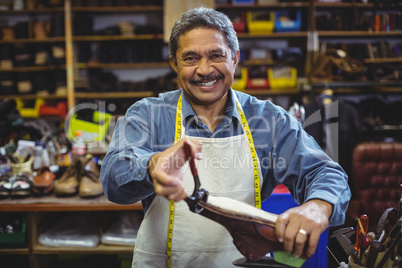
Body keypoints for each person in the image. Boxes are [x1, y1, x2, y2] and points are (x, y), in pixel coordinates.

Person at [100, 7, 351, 268]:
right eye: (190, 58)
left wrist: (318, 206)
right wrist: (152, 167)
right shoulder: (147, 114)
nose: (204, 69)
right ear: (174, 64)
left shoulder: (268, 119)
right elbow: (113, 175)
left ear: (234, 58)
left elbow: (324, 171)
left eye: (216, 55)